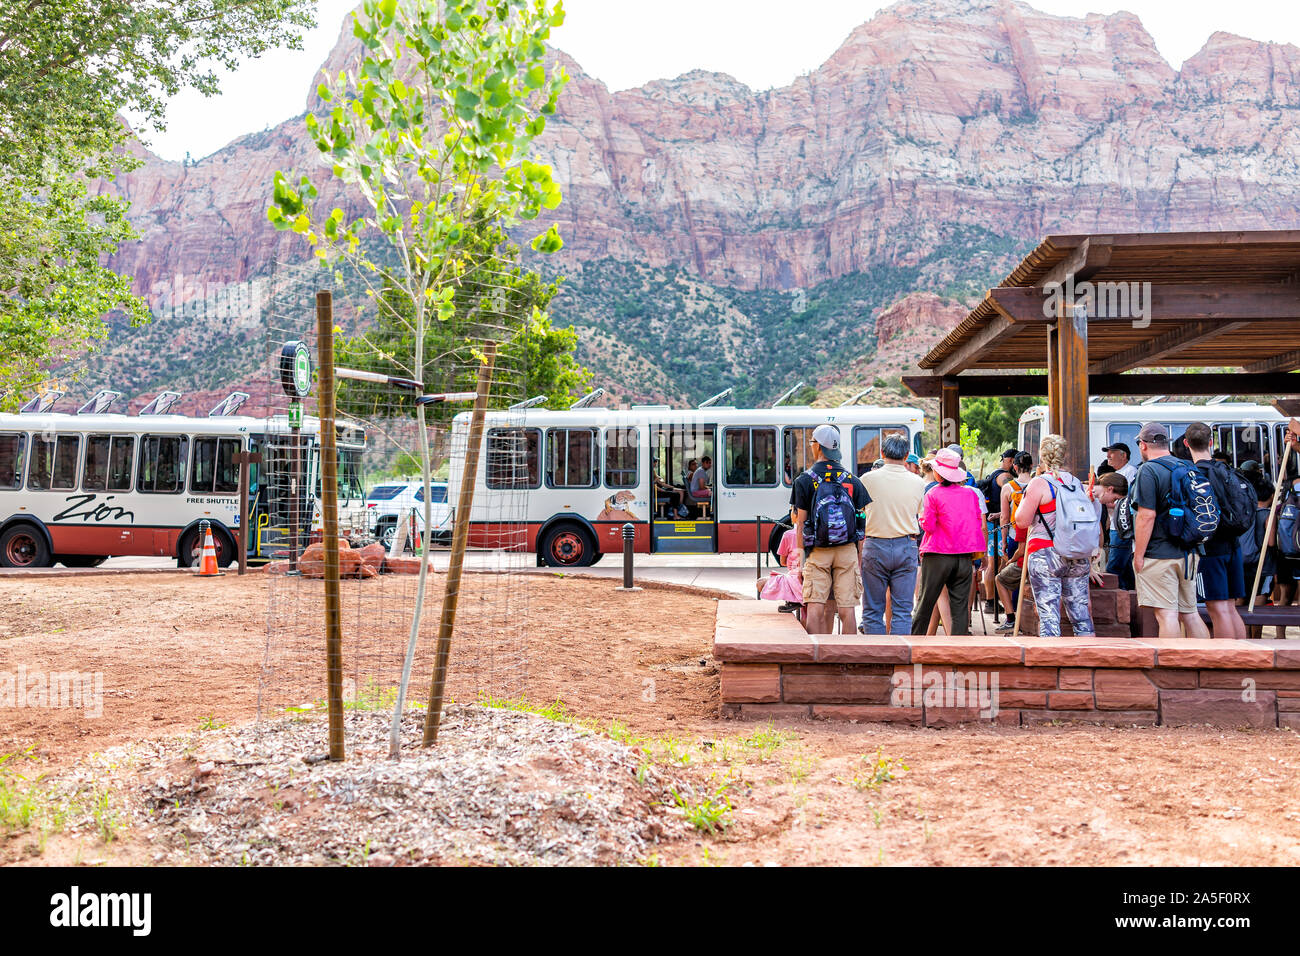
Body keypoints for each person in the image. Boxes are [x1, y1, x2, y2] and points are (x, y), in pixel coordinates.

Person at [1014, 434, 1102, 638]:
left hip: (1046, 552)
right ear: (1065, 455)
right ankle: (1088, 657)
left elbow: (1022, 521)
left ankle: (1052, 665)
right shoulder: (1074, 482)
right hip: (1077, 551)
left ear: (1042, 456)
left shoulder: (1039, 484)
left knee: (1049, 615)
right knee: (1081, 613)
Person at [1131, 422, 1212, 639]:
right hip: (1189, 552)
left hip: (1159, 554)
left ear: (1143, 445)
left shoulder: (1148, 470)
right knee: (1191, 613)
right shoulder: (1187, 466)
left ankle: (1171, 667)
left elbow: (1146, 516)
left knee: (1166, 614)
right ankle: (1204, 663)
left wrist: (1138, 555)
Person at [790, 424, 868, 635]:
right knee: (847, 609)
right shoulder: (853, 480)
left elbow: (801, 525)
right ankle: (848, 661)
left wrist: (800, 561)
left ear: (817, 447)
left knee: (815, 607)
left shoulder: (804, 480)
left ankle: (815, 659)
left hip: (817, 551)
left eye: (812, 443)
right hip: (847, 550)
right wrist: (858, 559)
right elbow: (861, 524)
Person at [1184, 422, 1248, 639]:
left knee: (1217, 609)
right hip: (1233, 544)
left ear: (1186, 444)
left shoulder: (1193, 475)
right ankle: (1243, 656)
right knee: (1229, 607)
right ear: (1211, 442)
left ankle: (1227, 660)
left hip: (1209, 549)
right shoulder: (1226, 471)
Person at [911, 447, 984, 635]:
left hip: (937, 555)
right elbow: (977, 523)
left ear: (938, 473)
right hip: (964, 556)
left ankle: (915, 645)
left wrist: (920, 518)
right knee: (959, 607)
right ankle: (958, 651)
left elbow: (928, 526)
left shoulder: (933, 494)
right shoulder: (970, 494)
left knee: (925, 602)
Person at [858, 434, 926, 634]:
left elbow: (859, 510)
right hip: (906, 546)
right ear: (906, 456)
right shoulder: (918, 482)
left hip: (875, 545)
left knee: (872, 609)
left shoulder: (867, 479)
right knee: (903, 610)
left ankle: (878, 660)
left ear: (882, 453)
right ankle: (899, 657)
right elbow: (922, 514)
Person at [993, 452, 1035, 632]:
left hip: (1014, 536)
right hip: (1034, 537)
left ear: (1015, 467)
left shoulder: (1009, 488)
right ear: (1032, 467)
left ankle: (1013, 617)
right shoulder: (1039, 484)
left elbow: (1004, 517)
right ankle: (1025, 617)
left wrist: (1002, 541)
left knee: (1010, 577)